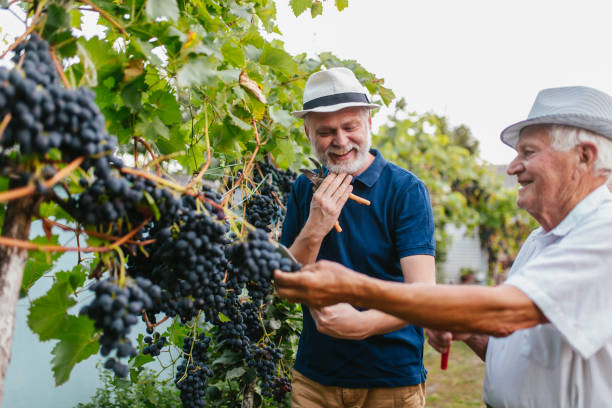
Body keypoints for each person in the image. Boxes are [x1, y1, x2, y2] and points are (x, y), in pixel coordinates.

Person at [276, 85, 612, 407]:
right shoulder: (542, 241)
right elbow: (525, 341)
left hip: (390, 376)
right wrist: (470, 332)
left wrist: (354, 289)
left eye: (528, 152)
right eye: (325, 131)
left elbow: (505, 310)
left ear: (585, 156)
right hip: (317, 373)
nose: (512, 167)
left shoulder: (603, 233)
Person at [282, 67, 436, 407]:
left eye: (350, 127)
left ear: (369, 124)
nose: (340, 141)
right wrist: (316, 225)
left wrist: (364, 324)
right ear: (308, 132)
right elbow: (286, 286)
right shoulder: (303, 189)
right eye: (325, 132)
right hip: (314, 381)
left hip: (389, 381)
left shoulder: (406, 190)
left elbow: (423, 296)